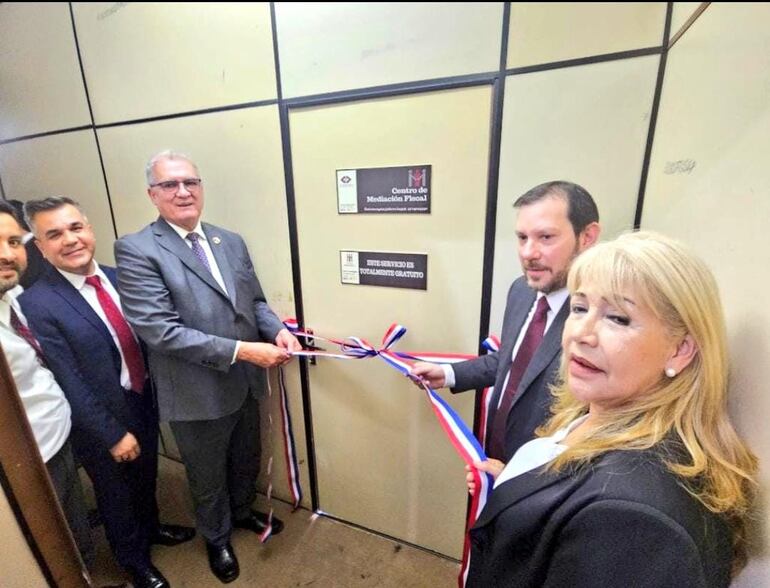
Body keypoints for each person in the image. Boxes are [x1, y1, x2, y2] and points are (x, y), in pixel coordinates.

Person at [465, 231, 758, 587]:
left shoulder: (631, 520)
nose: (581, 334)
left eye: (618, 318)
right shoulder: (601, 412)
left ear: (679, 350)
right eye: (579, 308)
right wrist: (518, 484)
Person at [114, 151, 301, 584]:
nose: (183, 192)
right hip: (195, 390)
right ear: (152, 195)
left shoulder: (229, 240)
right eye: (169, 185)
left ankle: (240, 513)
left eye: (190, 182)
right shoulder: (137, 250)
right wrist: (246, 350)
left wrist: (275, 332)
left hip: (243, 382)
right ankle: (216, 539)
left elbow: (253, 301)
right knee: (206, 474)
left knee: (244, 458)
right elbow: (162, 332)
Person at [19, 197, 195, 588]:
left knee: (146, 474)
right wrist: (112, 434)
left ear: (90, 228)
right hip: (97, 418)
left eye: (75, 227)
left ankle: (151, 529)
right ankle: (133, 559)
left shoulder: (120, 278)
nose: (70, 239)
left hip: (142, 399)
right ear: (42, 247)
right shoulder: (38, 303)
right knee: (115, 493)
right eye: (55, 234)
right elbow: (68, 380)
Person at [412, 181, 600, 464]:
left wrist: (521, 482)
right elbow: (512, 362)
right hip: (495, 459)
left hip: (545, 481)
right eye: (522, 238)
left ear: (587, 237)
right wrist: (448, 373)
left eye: (546, 237)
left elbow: (601, 427)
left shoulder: (601, 318)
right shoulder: (522, 290)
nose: (528, 253)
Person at [0, 200, 94, 565]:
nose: (6, 254)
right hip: (26, 463)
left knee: (75, 533)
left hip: (59, 436)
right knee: (52, 554)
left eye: (12, 242)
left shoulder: (19, 297)